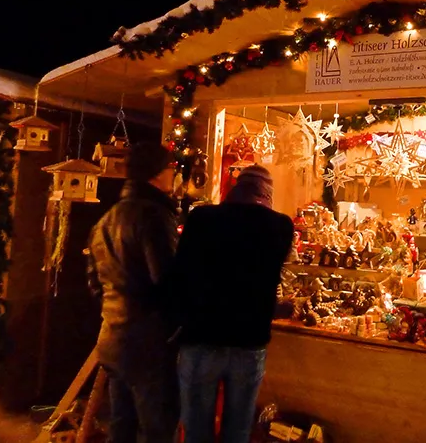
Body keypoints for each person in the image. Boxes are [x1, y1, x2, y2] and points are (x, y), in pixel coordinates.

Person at [171, 165, 293, 443]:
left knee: (197, 429)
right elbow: (275, 274)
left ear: (236, 187)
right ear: (267, 192)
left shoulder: (201, 218)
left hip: (201, 335)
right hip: (249, 340)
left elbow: (182, 272)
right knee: (237, 430)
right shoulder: (281, 225)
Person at [86, 143, 180, 443]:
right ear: (156, 174)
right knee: (156, 428)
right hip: (148, 343)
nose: (174, 175)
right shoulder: (154, 216)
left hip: (112, 337)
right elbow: (167, 280)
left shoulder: (106, 220)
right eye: (171, 169)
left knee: (121, 424)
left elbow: (94, 282)